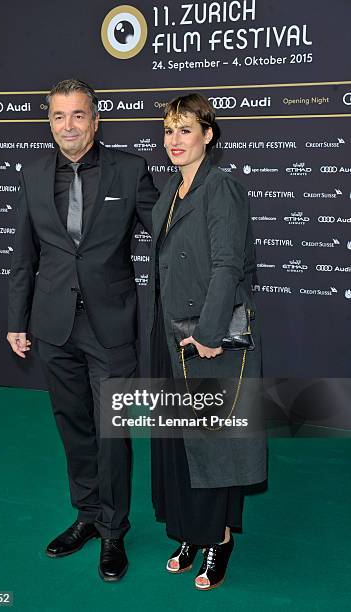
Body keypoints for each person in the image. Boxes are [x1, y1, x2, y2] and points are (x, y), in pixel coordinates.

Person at [7, 78, 158, 582]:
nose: (67, 126)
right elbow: (23, 256)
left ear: (95, 119)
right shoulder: (31, 175)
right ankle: (87, 515)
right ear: (48, 122)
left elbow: (166, 233)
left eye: (77, 115)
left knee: (113, 434)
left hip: (110, 326)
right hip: (53, 327)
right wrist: (16, 320)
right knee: (74, 426)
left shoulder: (130, 169)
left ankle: (114, 531)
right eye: (57, 117)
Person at [146, 94, 266, 590]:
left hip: (205, 339)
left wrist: (210, 334)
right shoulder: (171, 191)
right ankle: (190, 533)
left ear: (207, 136)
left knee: (214, 444)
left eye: (185, 130)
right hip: (169, 335)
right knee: (180, 442)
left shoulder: (222, 188)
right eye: (170, 130)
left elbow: (227, 266)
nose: (175, 140)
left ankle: (218, 541)